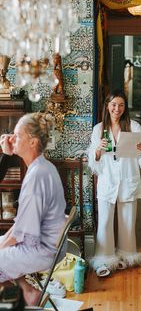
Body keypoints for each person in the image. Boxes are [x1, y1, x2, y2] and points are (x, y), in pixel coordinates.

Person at [88, 90, 141, 277]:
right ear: (107, 105)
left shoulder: (133, 126)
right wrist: (97, 151)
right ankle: (104, 258)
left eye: (121, 105)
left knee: (127, 221)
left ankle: (127, 255)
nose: (117, 109)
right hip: (107, 181)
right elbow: (93, 160)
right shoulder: (99, 129)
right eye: (114, 105)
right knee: (105, 222)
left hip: (128, 180)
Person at [0, 112, 66, 306]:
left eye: (17, 135)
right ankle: (29, 292)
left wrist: (3, 246)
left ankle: (20, 298)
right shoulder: (43, 166)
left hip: (44, 249)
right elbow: (22, 224)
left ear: (33, 142)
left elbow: (24, 233)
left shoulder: (36, 176)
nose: (11, 139)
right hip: (49, 243)